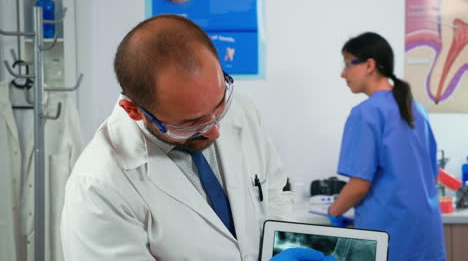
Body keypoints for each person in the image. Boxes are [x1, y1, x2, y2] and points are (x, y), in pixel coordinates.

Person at [60, 14, 329, 261]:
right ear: (133, 111)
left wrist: (281, 247)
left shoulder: (241, 111)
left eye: (219, 105)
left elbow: (274, 192)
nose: (214, 130)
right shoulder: (100, 187)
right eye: (190, 124)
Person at [328, 32, 446, 261]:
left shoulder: (366, 113)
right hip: (426, 233)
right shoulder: (417, 109)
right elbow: (432, 177)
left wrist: (333, 213)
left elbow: (359, 186)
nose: (343, 74)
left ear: (369, 65)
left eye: (347, 64)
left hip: (389, 234)